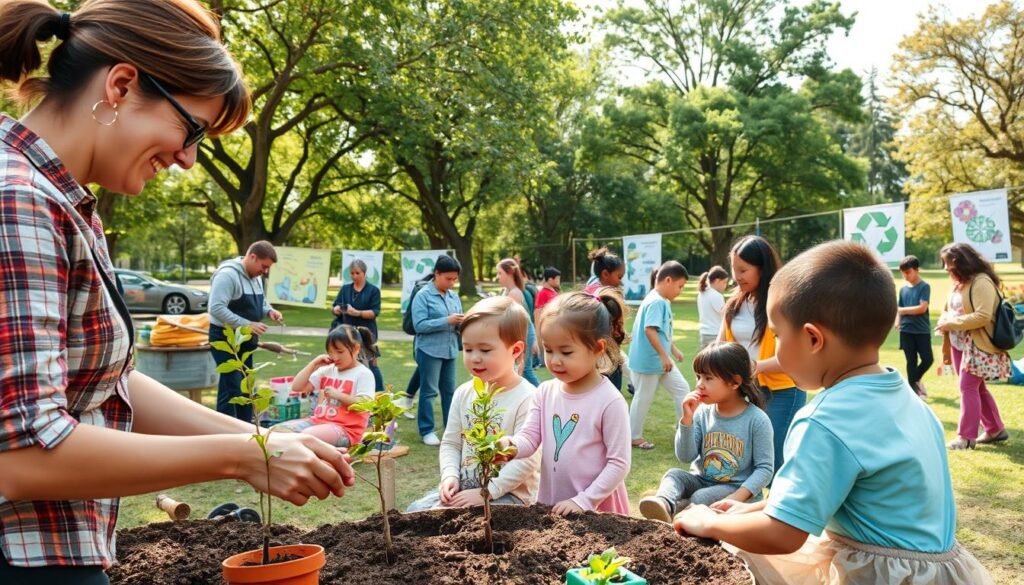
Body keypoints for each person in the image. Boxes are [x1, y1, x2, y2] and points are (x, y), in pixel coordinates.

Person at [0, 2, 353, 582]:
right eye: (191, 130)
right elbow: (22, 456)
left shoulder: (61, 202)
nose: (188, 159)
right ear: (120, 85)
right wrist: (246, 458)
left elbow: (109, 381)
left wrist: (259, 436)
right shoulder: (18, 201)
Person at [674, 240, 995, 585]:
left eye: (779, 335)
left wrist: (708, 522)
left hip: (882, 577)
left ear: (813, 339)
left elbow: (784, 534)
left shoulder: (825, 420)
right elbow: (826, 495)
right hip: (936, 571)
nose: (776, 350)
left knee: (735, 555)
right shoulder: (905, 397)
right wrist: (748, 509)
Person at [497, 289, 632, 516]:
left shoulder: (610, 401)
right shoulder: (545, 392)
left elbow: (619, 464)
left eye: (566, 352)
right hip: (554, 504)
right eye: (548, 350)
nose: (555, 361)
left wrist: (584, 501)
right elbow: (530, 438)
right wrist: (510, 446)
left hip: (596, 509)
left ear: (597, 349)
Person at [407, 297, 540, 512]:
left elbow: (527, 460)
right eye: (468, 350)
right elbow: (451, 443)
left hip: (510, 498)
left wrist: (488, 491)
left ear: (515, 350)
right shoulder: (464, 393)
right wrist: (450, 476)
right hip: (466, 491)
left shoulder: (529, 398)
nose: (474, 358)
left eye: (485, 350)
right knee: (415, 511)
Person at [638, 342, 773, 523]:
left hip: (735, 488)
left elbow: (765, 469)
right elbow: (686, 456)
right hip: (701, 480)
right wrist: (687, 421)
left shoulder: (757, 420)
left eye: (708, 378)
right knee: (674, 475)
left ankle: (683, 511)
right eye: (698, 377)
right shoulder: (702, 413)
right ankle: (664, 505)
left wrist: (737, 497)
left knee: (701, 497)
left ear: (735, 382)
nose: (700, 385)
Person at [718, 235, 803, 472]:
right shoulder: (734, 303)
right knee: (744, 455)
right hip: (747, 389)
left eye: (743, 270)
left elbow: (794, 358)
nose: (736, 276)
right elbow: (721, 343)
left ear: (762, 268)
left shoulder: (783, 304)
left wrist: (757, 367)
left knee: (774, 458)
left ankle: (782, 507)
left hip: (783, 391)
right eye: (734, 269)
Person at [936, 243, 1010, 449]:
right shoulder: (960, 282)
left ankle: (966, 437)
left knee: (967, 387)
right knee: (977, 387)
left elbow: (983, 316)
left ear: (961, 262)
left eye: (948, 264)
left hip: (977, 344)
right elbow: (949, 307)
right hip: (960, 343)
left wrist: (951, 323)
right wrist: (944, 320)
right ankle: (995, 429)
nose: (945, 269)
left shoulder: (982, 282)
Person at [208, 240, 284, 422]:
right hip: (226, 340)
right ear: (252, 257)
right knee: (237, 388)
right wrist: (246, 324)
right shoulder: (227, 276)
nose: (265, 271)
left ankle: (225, 429)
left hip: (245, 341)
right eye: (264, 266)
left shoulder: (256, 277)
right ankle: (243, 428)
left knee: (235, 387)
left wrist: (270, 311)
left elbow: (262, 302)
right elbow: (216, 307)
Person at [276, 325, 376, 448]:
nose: (335, 357)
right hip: (317, 423)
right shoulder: (327, 370)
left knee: (306, 437)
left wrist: (338, 395)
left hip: (345, 431)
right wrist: (313, 364)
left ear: (356, 349)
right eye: (330, 352)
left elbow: (366, 405)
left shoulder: (363, 373)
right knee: (277, 431)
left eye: (340, 352)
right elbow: (297, 387)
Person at [627, 261, 691, 450]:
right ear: (668, 280)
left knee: (682, 389)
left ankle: (686, 430)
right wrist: (664, 356)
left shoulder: (659, 299)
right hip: (650, 362)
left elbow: (662, 332)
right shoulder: (656, 301)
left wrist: (673, 350)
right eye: (680, 286)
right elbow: (650, 330)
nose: (680, 291)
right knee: (643, 398)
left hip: (659, 361)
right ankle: (633, 436)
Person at [412, 255, 464, 446]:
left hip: (450, 350)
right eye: (448, 278)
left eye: (454, 279)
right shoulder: (422, 295)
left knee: (449, 391)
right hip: (429, 350)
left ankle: (451, 430)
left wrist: (462, 322)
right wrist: (447, 321)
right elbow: (419, 325)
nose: (451, 283)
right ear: (437, 274)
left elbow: (456, 320)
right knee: (429, 391)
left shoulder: (453, 296)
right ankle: (426, 430)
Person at [331, 259, 384, 392]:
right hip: (347, 333)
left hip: (366, 333)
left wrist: (357, 313)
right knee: (349, 363)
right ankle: (354, 392)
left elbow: (374, 312)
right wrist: (336, 309)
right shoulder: (345, 289)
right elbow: (334, 307)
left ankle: (379, 393)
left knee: (371, 364)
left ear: (364, 273)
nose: (354, 276)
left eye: (357, 273)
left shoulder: (373, 290)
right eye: (352, 273)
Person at [497, 258, 540, 386]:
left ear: (510, 272)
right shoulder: (507, 291)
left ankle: (542, 397)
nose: (497, 277)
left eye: (500, 273)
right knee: (521, 370)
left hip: (524, 332)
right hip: (522, 332)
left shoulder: (514, 293)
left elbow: (517, 320)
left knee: (525, 370)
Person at [896, 255, 933, 398]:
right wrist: (897, 320)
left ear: (917, 270)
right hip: (906, 331)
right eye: (903, 273)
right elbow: (899, 308)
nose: (905, 275)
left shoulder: (924, 286)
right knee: (911, 361)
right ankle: (913, 392)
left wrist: (901, 311)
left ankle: (913, 381)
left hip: (922, 330)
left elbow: (922, 308)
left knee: (928, 359)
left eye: (908, 272)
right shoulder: (903, 289)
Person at [697, 266, 729, 349]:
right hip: (715, 334)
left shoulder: (702, 293)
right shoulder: (717, 296)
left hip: (704, 334)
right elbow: (725, 316)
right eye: (724, 282)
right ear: (717, 281)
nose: (725, 286)